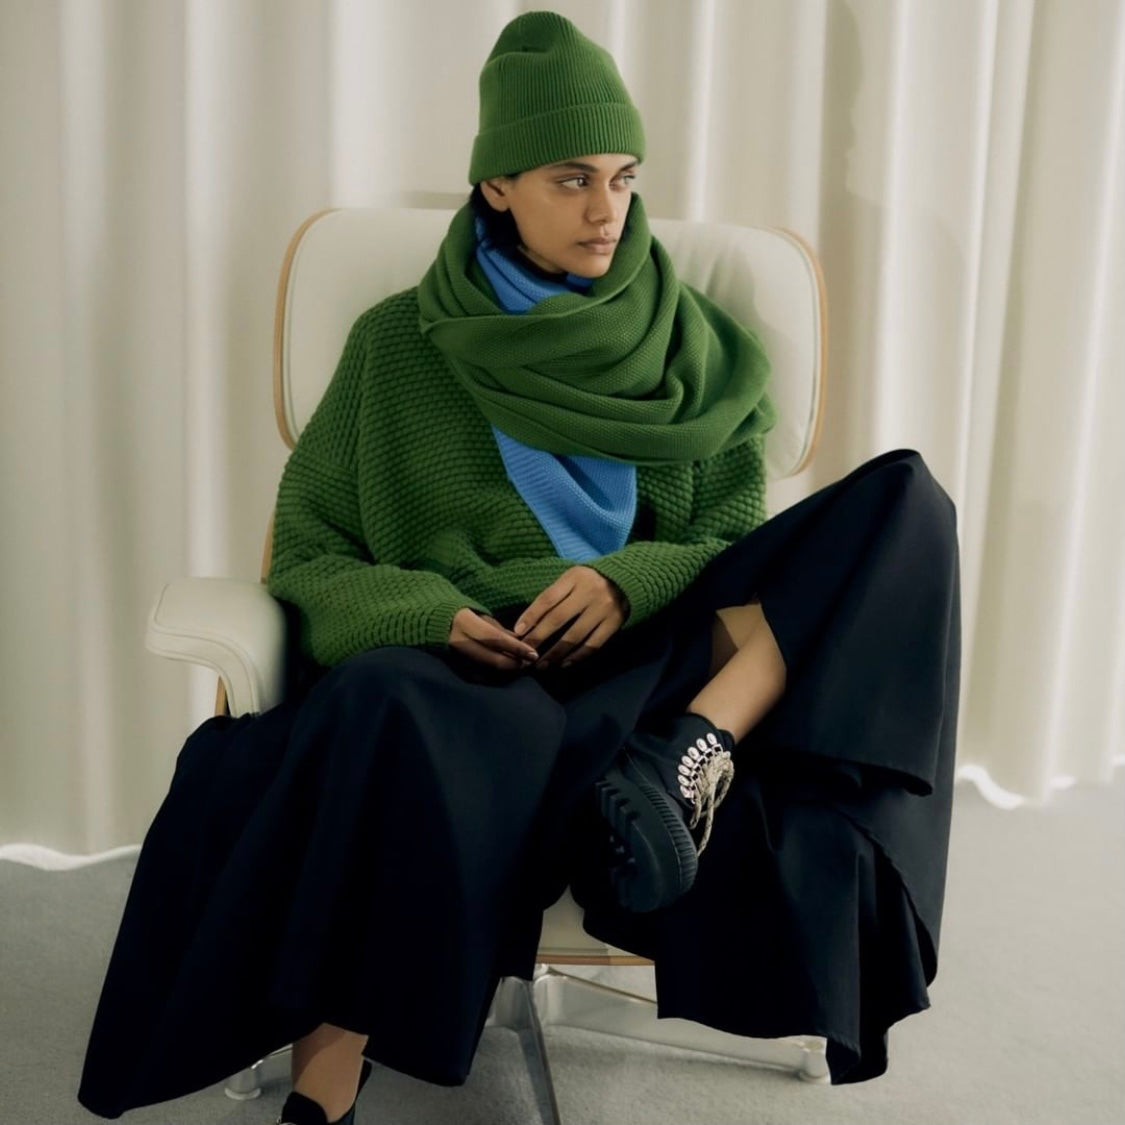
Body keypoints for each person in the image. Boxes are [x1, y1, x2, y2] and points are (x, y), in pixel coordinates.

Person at [77, 11, 961, 1125]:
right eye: (571, 178)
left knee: (907, 502)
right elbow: (307, 549)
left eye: (624, 178)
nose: (606, 209)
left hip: (656, 664)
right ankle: (327, 1074)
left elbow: (729, 544)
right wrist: (429, 613)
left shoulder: (690, 342)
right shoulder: (397, 344)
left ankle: (692, 755)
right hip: (486, 673)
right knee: (383, 706)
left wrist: (628, 581)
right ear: (498, 185)